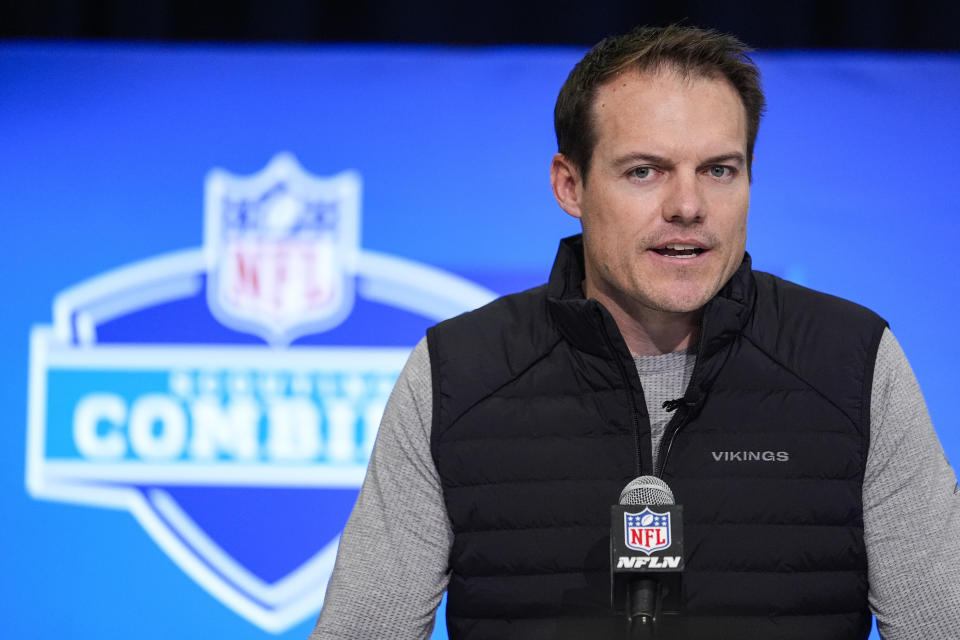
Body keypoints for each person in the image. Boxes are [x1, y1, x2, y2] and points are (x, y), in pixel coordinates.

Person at [310, 25, 960, 640]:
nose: (687, 205)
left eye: (719, 170)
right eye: (645, 171)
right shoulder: (458, 371)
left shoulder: (852, 360)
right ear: (571, 184)